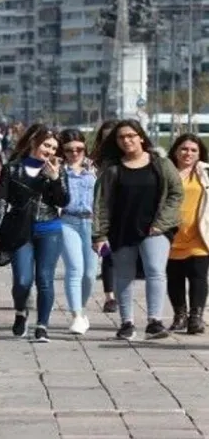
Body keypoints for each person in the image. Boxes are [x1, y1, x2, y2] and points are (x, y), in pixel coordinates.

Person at [92, 119, 183, 341]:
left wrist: (162, 223)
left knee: (155, 271)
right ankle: (127, 323)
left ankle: (154, 321)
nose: (127, 140)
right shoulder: (112, 169)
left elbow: (176, 193)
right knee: (124, 275)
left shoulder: (161, 164)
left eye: (131, 135)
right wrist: (99, 234)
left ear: (141, 136)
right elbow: (100, 204)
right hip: (121, 229)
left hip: (155, 229)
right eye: (121, 137)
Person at [0, 124, 69, 343]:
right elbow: (1, 201)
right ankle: (21, 311)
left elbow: (63, 201)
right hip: (20, 229)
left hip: (49, 228)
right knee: (23, 280)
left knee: (45, 279)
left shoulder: (57, 170)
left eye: (53, 147)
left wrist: (55, 178)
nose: (49, 150)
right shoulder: (12, 168)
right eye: (46, 145)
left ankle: (42, 325)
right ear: (34, 142)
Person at [166, 133, 209, 334]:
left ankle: (196, 318)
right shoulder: (165, 172)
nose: (188, 153)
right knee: (174, 277)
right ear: (175, 150)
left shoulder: (205, 173)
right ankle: (179, 316)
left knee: (198, 276)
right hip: (171, 234)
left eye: (193, 150)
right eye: (184, 149)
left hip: (198, 234)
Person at [58, 128, 97, 335]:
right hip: (67, 221)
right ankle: (76, 316)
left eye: (79, 149)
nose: (75, 153)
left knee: (90, 273)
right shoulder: (58, 169)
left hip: (91, 223)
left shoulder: (94, 168)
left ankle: (81, 310)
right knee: (75, 269)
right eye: (69, 150)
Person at [89, 120, 120, 312]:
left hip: (125, 212)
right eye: (105, 137)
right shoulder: (95, 161)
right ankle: (110, 297)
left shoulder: (128, 159)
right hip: (102, 211)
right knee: (108, 254)